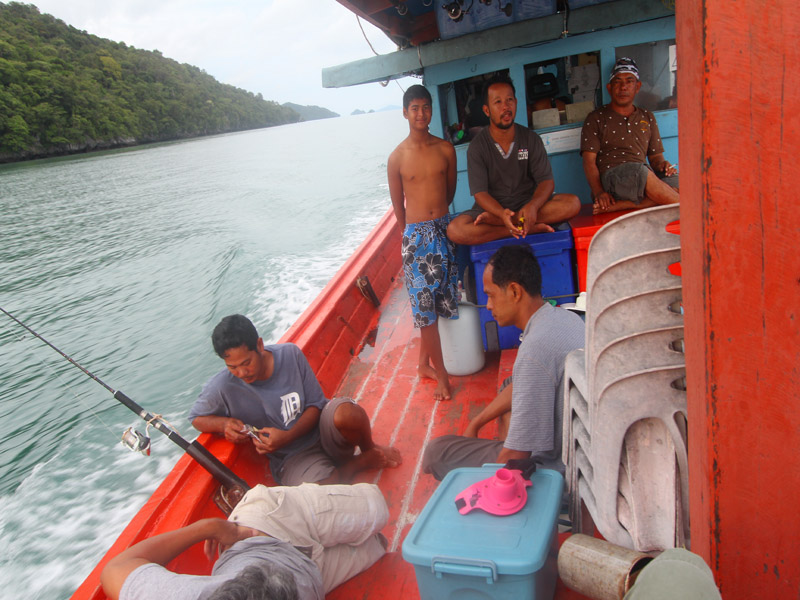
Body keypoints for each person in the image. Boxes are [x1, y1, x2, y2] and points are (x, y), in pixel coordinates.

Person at [422, 245, 584, 479]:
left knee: (437, 453)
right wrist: (476, 422)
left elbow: (515, 457)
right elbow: (522, 384)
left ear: (515, 292)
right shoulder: (565, 318)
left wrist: (491, 485)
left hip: (553, 472)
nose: (488, 305)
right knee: (511, 382)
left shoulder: (534, 350)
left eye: (491, 295)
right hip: (579, 453)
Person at [189, 314, 401, 486]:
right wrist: (224, 424)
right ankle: (356, 464)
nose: (242, 372)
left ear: (260, 345)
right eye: (232, 367)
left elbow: (316, 406)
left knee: (348, 413)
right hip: (292, 457)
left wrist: (286, 436)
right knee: (317, 491)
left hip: (321, 429)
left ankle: (369, 448)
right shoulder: (222, 386)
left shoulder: (289, 355)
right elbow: (196, 418)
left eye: (246, 362)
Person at [100, 481, 389, 600]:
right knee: (377, 546)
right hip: (311, 574)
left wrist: (206, 528)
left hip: (267, 527)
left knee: (378, 509)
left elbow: (115, 569)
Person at [446, 74, 580, 245]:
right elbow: (480, 194)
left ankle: (510, 224)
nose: (505, 107)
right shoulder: (477, 146)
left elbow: (546, 182)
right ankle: (523, 228)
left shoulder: (531, 139)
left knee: (572, 204)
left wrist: (533, 206)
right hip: (494, 210)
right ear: (487, 110)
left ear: (516, 102)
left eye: (509, 100)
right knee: (455, 230)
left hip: (527, 206)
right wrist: (502, 214)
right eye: (498, 102)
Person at [387, 84, 459, 401]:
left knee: (440, 302)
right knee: (425, 310)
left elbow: (451, 191)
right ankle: (441, 375)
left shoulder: (446, 149)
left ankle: (422, 365)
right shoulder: (396, 158)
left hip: (444, 228)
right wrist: (411, 239)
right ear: (405, 113)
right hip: (416, 238)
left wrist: (438, 222)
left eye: (425, 107)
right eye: (414, 108)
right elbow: (397, 207)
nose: (420, 113)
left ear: (432, 110)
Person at [581, 57, 680, 214]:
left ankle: (631, 205)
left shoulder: (647, 117)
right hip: (613, 178)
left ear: (637, 86)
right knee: (643, 173)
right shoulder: (596, 118)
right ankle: (691, 211)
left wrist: (664, 165)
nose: (623, 87)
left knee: (681, 183)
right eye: (618, 82)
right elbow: (589, 161)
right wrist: (599, 192)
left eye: (629, 81)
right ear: (609, 88)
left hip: (643, 176)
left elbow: (656, 159)